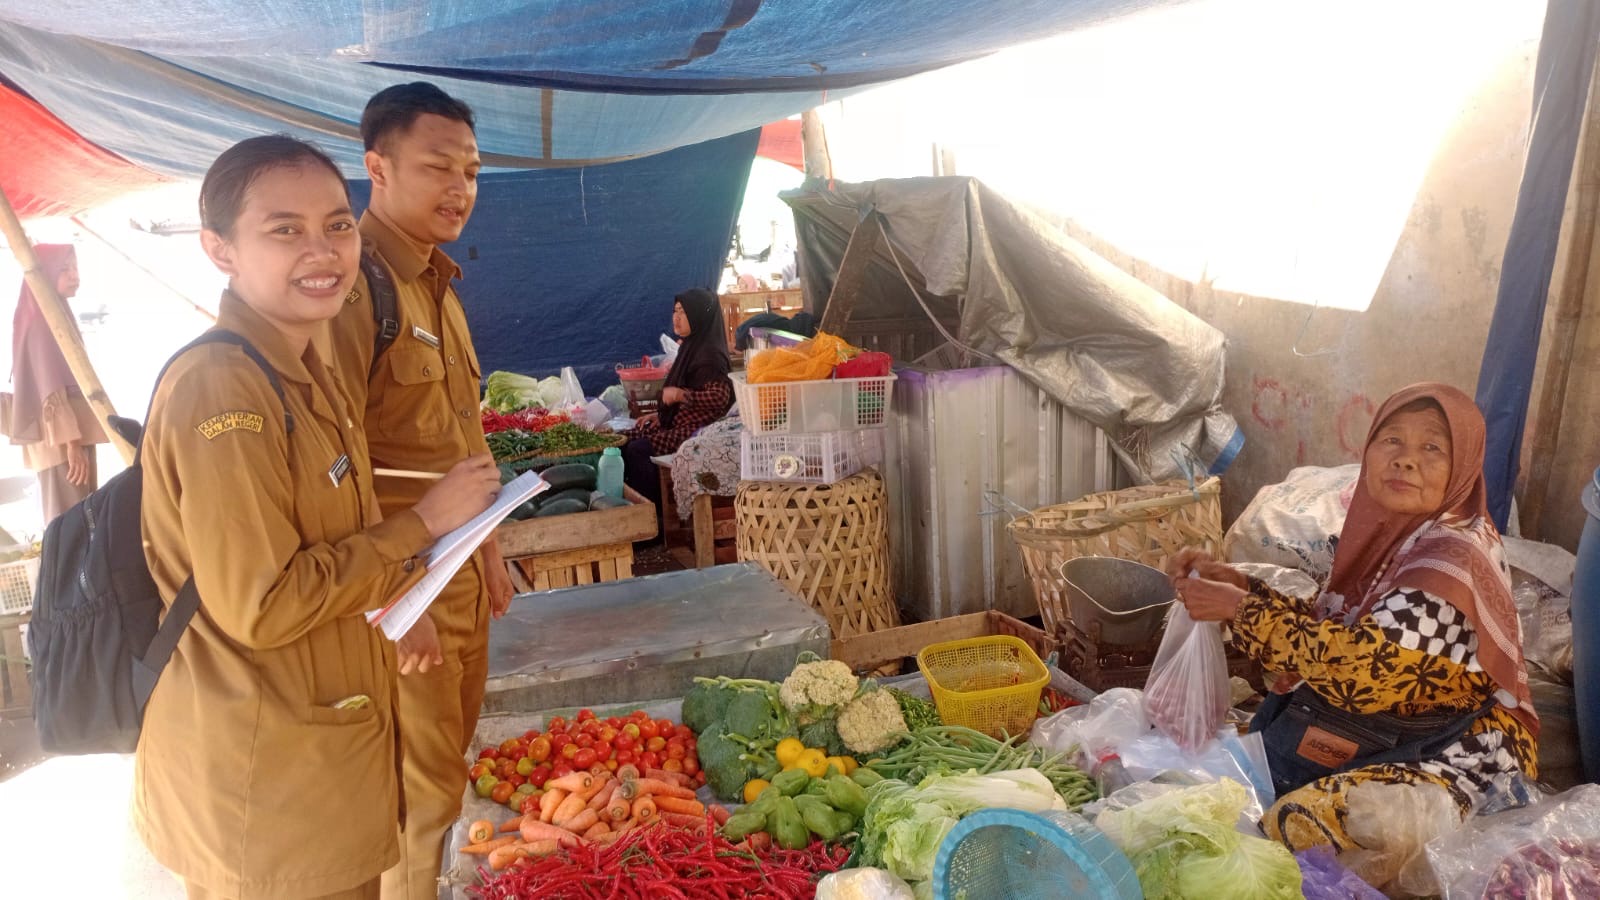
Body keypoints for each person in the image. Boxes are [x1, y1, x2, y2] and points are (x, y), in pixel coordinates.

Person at [135, 135, 501, 899]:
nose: (323, 251)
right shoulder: (223, 387)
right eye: (284, 229)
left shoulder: (306, 369)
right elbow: (262, 603)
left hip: (322, 766)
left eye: (336, 225)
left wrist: (395, 599)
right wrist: (422, 524)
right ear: (219, 249)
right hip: (266, 786)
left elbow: (335, 528)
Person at [1168, 382, 1538, 855]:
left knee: (1291, 825)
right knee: (1231, 769)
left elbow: (1359, 674)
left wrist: (1239, 610)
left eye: (1431, 447)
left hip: (1459, 753)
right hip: (1393, 725)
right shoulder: (1397, 534)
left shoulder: (1451, 561)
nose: (1405, 460)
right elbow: (1339, 631)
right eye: (1392, 440)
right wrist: (1243, 588)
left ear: (1463, 464)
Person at [321, 82, 516, 898]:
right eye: (438, 167)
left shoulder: (438, 285)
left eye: (470, 171)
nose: (459, 187)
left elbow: (464, 435)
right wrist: (396, 598)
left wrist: (492, 551)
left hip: (461, 575)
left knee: (446, 770)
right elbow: (336, 463)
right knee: (418, 795)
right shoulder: (352, 290)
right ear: (378, 168)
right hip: (406, 587)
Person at [6, 244, 108, 523]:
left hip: (69, 437)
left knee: (82, 522)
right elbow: (50, 386)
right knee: (72, 524)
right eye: (64, 269)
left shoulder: (55, 314)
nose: (75, 275)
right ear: (47, 273)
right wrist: (72, 445)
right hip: (62, 443)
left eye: (75, 267)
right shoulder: (42, 323)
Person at [621, 288, 734, 506]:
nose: (676, 317)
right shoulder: (691, 346)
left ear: (698, 315)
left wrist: (681, 396)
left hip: (698, 431)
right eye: (675, 311)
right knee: (624, 438)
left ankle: (655, 513)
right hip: (680, 422)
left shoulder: (710, 355)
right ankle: (633, 506)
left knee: (638, 449)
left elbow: (719, 397)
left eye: (683, 312)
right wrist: (660, 415)